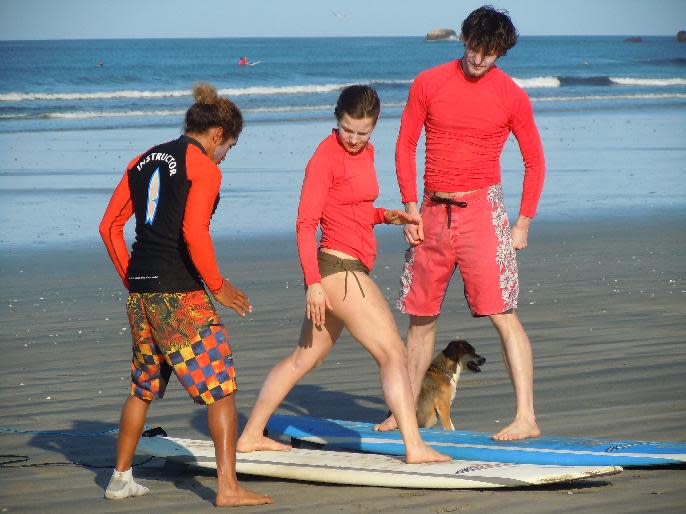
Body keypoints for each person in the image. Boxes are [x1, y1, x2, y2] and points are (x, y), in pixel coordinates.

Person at [236, 85, 450, 464]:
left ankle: (251, 435)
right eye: (347, 129)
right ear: (338, 119)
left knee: (302, 360)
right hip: (338, 269)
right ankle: (414, 447)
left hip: (342, 269)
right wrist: (313, 285)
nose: (353, 139)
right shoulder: (325, 157)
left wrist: (387, 215)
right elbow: (305, 224)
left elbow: (351, 208)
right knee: (394, 354)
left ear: (373, 128)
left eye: (362, 132)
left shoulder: (367, 153)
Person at [99, 82, 272, 507]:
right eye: (229, 146)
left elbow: (109, 227)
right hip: (180, 292)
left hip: (141, 293)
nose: (226, 154)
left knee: (144, 386)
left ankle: (120, 478)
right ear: (217, 135)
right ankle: (228, 489)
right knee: (221, 388)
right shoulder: (204, 167)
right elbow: (194, 231)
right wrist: (217, 285)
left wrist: (134, 279)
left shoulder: (141, 160)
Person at [385, 6, 545, 441]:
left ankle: (526, 416)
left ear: (501, 53)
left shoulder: (511, 94)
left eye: (490, 53)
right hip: (432, 213)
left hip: (483, 215)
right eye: (475, 47)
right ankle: (402, 410)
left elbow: (535, 161)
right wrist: (409, 207)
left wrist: (523, 221)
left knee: (503, 316)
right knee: (420, 318)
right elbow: (405, 146)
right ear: (465, 40)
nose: (479, 58)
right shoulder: (429, 82)